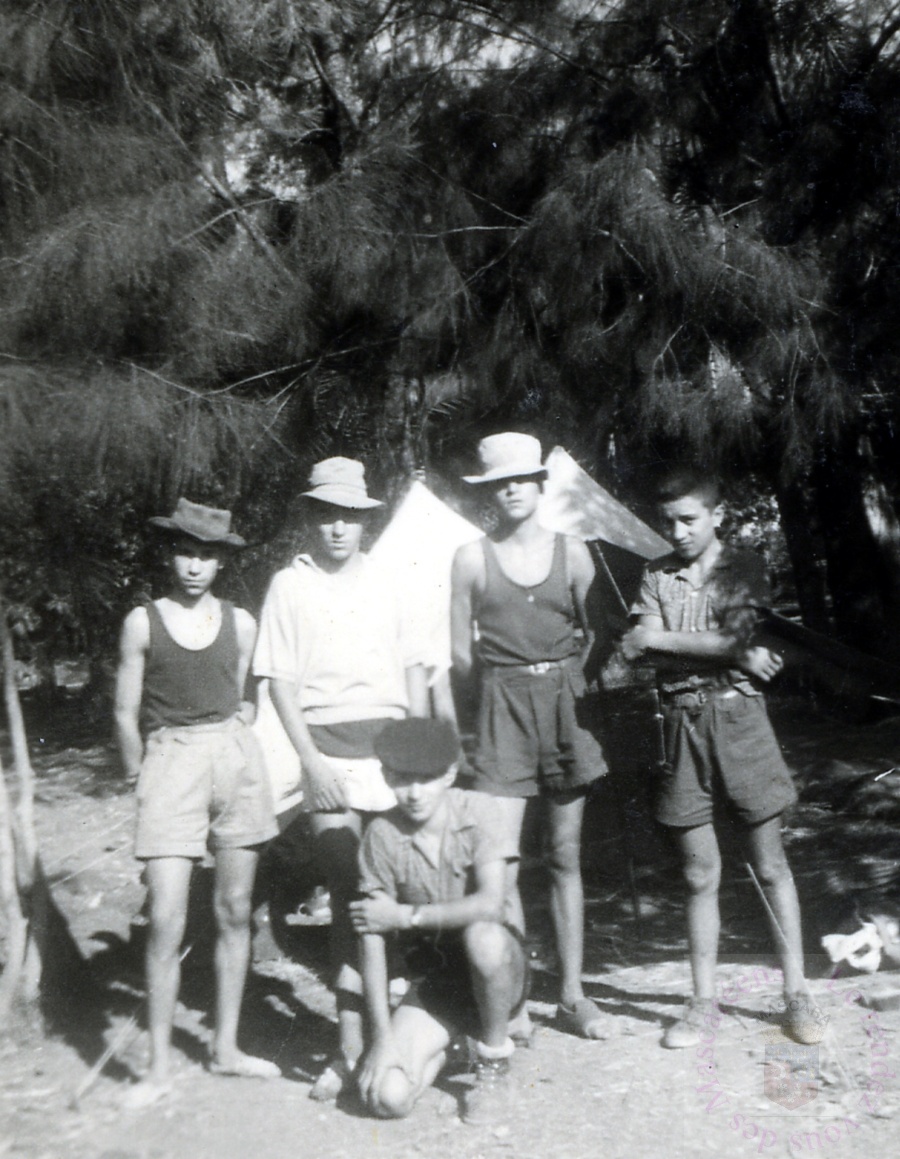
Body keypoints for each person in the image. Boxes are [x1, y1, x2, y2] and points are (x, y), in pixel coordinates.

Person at [620, 468, 822, 1048]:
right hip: (679, 727)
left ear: (717, 515)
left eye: (689, 519)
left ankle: (797, 996)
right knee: (698, 872)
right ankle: (702, 1002)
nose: (678, 531)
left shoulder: (747, 565)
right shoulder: (655, 574)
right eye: (668, 522)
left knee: (770, 865)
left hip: (739, 723)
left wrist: (665, 641)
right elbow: (646, 651)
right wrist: (728, 652)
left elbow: (732, 637)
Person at [253, 457, 428, 1100]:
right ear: (309, 519)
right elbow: (278, 684)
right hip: (326, 753)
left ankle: (404, 1035)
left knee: (395, 890)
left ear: (364, 521)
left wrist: (418, 752)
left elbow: (414, 670)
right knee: (346, 894)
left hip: (388, 749)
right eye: (325, 515)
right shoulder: (288, 586)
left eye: (348, 517)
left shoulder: (389, 581)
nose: (336, 529)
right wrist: (312, 764)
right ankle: (349, 1047)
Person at [114, 499, 280, 1109]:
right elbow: (123, 713)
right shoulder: (143, 621)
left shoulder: (241, 622)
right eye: (185, 551)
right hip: (170, 761)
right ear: (169, 553)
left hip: (232, 760)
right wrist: (141, 776)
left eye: (206, 554)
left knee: (236, 909)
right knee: (165, 918)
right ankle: (158, 1067)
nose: (194, 565)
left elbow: (247, 695)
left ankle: (226, 1048)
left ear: (222, 561)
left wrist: (245, 717)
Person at [450, 432, 608, 1040]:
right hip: (500, 711)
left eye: (520, 478)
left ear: (540, 485)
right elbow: (459, 657)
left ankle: (572, 994)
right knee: (503, 864)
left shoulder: (573, 554)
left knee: (565, 855)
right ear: (488, 492)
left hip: (563, 708)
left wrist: (570, 685)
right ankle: (513, 1002)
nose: (510, 489)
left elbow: (600, 635)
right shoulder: (469, 558)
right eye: (497, 482)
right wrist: (485, 714)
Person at [350, 718, 528, 1126]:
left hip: (500, 968)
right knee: (386, 1098)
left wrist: (407, 916)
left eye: (426, 779)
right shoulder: (381, 834)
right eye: (401, 779)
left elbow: (492, 905)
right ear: (385, 775)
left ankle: (494, 1061)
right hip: (439, 983)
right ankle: (453, 1045)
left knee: (484, 938)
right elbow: (371, 935)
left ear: (449, 773)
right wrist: (381, 1041)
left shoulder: (478, 810)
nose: (413, 793)